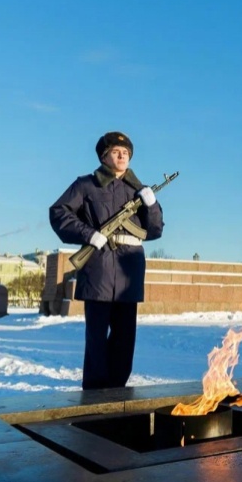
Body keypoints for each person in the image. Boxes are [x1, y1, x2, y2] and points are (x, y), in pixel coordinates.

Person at [49, 131, 164, 389]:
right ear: (104, 156)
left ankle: (117, 393)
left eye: (126, 153)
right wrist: (88, 234)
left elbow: (155, 230)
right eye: (115, 152)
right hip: (99, 269)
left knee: (125, 339)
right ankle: (94, 395)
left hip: (128, 272)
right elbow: (58, 213)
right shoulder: (86, 185)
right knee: (97, 340)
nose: (122, 156)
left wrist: (152, 205)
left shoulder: (139, 190)